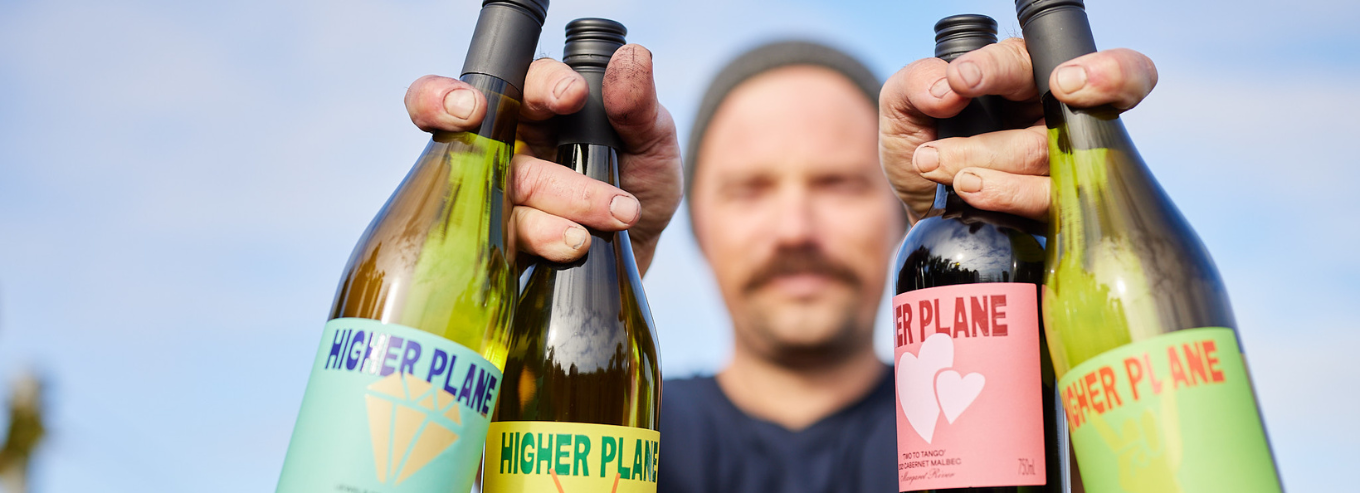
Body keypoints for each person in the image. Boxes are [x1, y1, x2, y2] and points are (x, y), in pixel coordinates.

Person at [402, 33, 1160, 493]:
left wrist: (1047, 262)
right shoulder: (628, 434)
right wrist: (518, 282)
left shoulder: (995, 437)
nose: (795, 227)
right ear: (694, 219)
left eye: (836, 183)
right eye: (751, 189)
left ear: (901, 210)